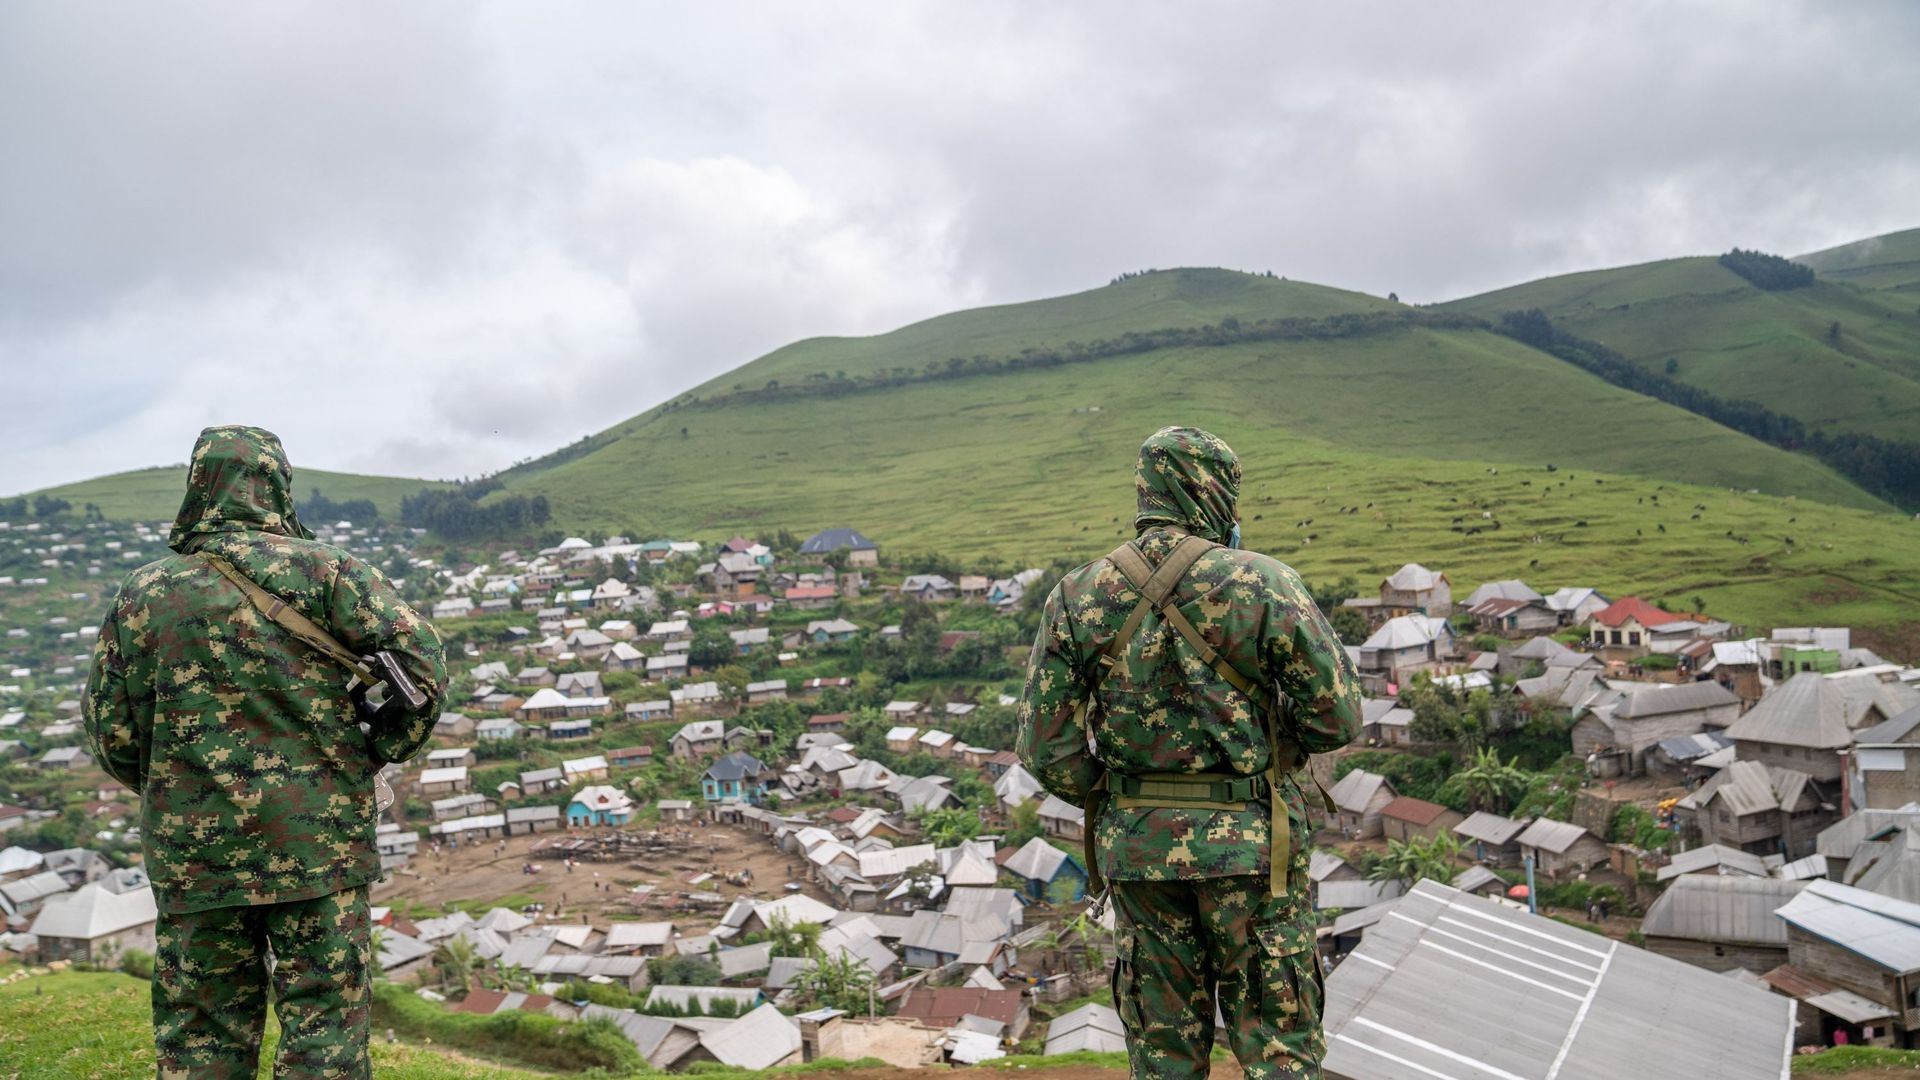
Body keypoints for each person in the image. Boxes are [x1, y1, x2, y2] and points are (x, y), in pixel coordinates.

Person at [84, 426, 446, 1079]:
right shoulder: (328, 574)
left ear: (198, 485)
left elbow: (110, 724)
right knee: (324, 1037)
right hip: (318, 847)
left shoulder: (144, 595)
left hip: (196, 855)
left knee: (201, 1041)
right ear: (278, 484)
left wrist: (171, 792)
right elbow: (423, 672)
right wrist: (372, 755)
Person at [1017, 426, 1361, 1079]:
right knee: (1278, 1046)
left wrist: (1125, 798)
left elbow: (1045, 743)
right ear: (1218, 496)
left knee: (1164, 1052)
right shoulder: (1266, 584)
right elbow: (1336, 715)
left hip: (1142, 858)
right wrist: (1273, 753)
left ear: (1146, 491)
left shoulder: (1078, 594)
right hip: (1257, 852)